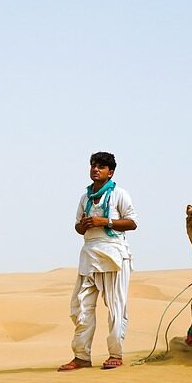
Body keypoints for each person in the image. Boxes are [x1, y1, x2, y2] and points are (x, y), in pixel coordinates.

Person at [59, 151, 139, 371]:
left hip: (114, 254)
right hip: (89, 255)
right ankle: (81, 356)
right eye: (93, 165)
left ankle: (115, 354)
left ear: (110, 172)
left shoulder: (120, 194)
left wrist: (105, 221)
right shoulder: (85, 197)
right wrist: (84, 225)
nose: (95, 169)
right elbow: (78, 226)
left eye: (101, 166)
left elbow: (132, 223)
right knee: (81, 307)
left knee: (116, 307)